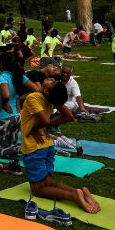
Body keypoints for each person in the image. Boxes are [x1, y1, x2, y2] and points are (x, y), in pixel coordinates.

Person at [19, 76, 99, 221]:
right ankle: (79, 191)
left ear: (47, 90)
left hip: (34, 148)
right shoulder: (51, 99)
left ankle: (73, 196)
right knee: (49, 184)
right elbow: (69, 116)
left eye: (53, 82)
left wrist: (34, 128)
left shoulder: (35, 97)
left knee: (38, 189)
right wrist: (42, 126)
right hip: (48, 146)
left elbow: (45, 120)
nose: (52, 79)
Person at [0, 52, 37, 174]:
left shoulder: (3, 78)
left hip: (3, 119)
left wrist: (4, 103)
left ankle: (30, 148)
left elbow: (5, 94)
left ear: (1, 65)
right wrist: (19, 98)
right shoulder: (19, 76)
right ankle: (25, 148)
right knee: (10, 144)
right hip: (16, 117)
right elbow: (37, 90)